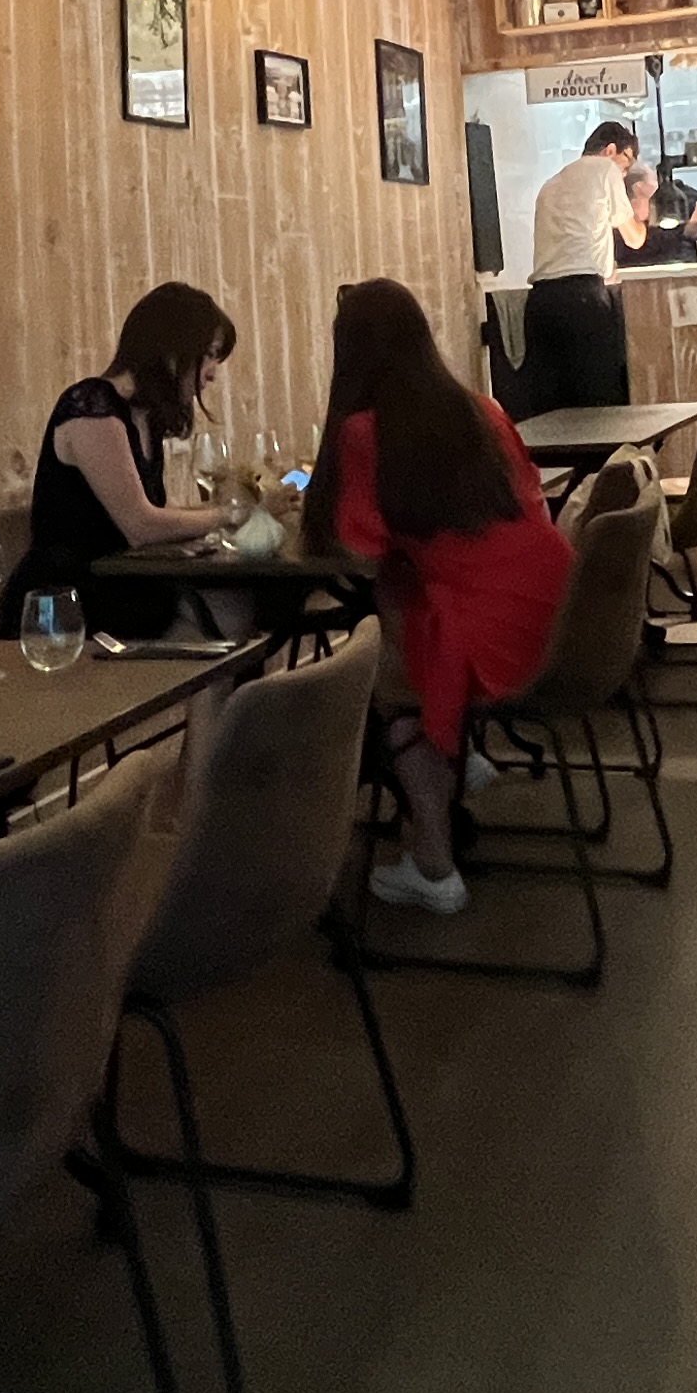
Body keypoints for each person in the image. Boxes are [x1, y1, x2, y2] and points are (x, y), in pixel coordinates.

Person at [304, 279, 568, 916]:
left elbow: (359, 550)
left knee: (389, 678)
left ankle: (433, 862)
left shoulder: (365, 431)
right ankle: (461, 751)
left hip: (492, 635)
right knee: (413, 589)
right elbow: (530, 495)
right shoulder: (483, 410)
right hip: (562, 608)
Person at [7, 281, 233, 625]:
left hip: (120, 583)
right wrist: (231, 515)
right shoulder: (92, 406)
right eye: (211, 354)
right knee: (225, 610)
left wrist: (233, 512)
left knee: (237, 603)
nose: (213, 372)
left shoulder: (144, 415)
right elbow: (141, 525)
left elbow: (155, 514)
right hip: (71, 599)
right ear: (173, 351)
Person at [521, 119, 646, 414]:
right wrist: (641, 204)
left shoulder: (552, 183)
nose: (624, 173)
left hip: (540, 303)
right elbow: (635, 238)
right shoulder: (604, 169)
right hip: (582, 300)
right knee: (597, 402)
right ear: (611, 150)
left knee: (554, 408)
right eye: (626, 164)